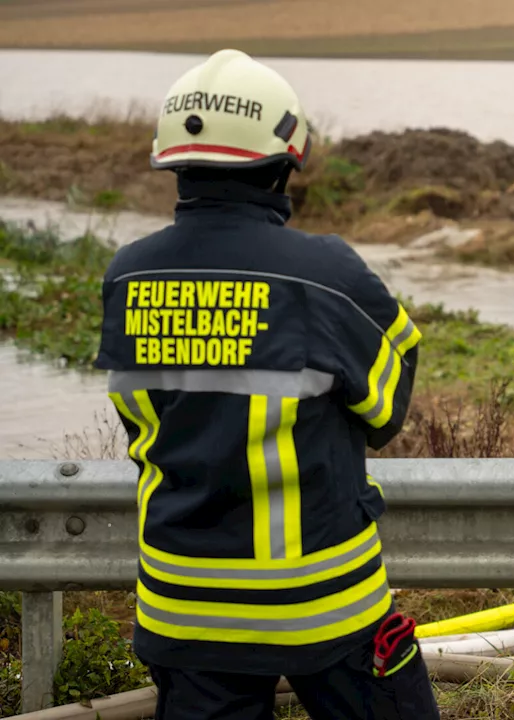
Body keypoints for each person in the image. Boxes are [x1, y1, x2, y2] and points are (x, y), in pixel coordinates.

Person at [93, 49, 440, 719]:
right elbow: (388, 407)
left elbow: (143, 421)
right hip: (320, 604)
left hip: (181, 608)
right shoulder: (324, 274)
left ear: (173, 162)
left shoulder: (126, 275)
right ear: (287, 160)